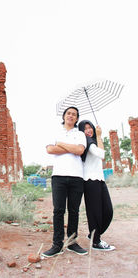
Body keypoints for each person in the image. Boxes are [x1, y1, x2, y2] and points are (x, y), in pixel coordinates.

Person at [42, 106, 88, 257]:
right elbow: (49, 150)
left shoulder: (80, 134)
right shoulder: (55, 131)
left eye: (74, 114)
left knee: (74, 211)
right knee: (58, 210)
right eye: (68, 113)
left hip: (77, 176)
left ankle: (72, 243)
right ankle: (57, 244)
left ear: (76, 118)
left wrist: (60, 143)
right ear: (64, 116)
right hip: (59, 176)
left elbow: (80, 151)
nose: (71, 116)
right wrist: (71, 148)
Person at [78, 120, 115, 251]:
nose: (89, 130)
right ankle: (96, 242)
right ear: (81, 132)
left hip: (99, 180)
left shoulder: (93, 141)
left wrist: (98, 137)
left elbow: (101, 154)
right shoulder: (88, 142)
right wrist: (99, 135)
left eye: (90, 128)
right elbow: (102, 154)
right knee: (95, 213)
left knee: (108, 211)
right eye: (85, 128)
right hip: (90, 181)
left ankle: (93, 235)